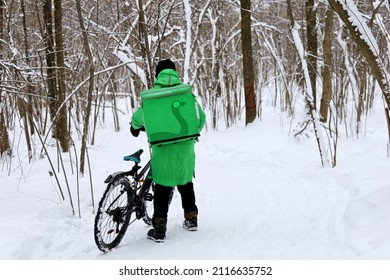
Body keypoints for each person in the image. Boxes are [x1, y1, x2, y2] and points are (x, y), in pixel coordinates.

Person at [130, 59, 206, 243]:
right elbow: (200, 118)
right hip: (185, 146)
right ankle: (191, 219)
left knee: (162, 188)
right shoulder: (186, 94)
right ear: (175, 73)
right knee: (185, 181)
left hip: (161, 148)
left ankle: (160, 228)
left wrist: (134, 127)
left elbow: (140, 116)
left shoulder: (152, 96)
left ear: (158, 75)